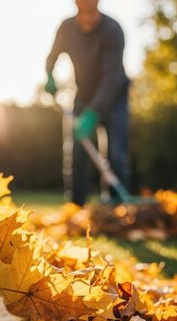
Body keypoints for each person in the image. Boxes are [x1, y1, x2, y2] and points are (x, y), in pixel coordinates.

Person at [45, 0, 131, 207]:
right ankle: (76, 205)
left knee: (116, 153)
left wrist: (93, 113)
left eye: (90, 13)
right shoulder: (66, 28)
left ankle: (116, 205)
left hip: (114, 99)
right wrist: (50, 75)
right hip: (83, 96)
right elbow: (52, 56)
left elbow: (111, 78)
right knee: (76, 153)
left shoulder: (112, 30)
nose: (87, 20)